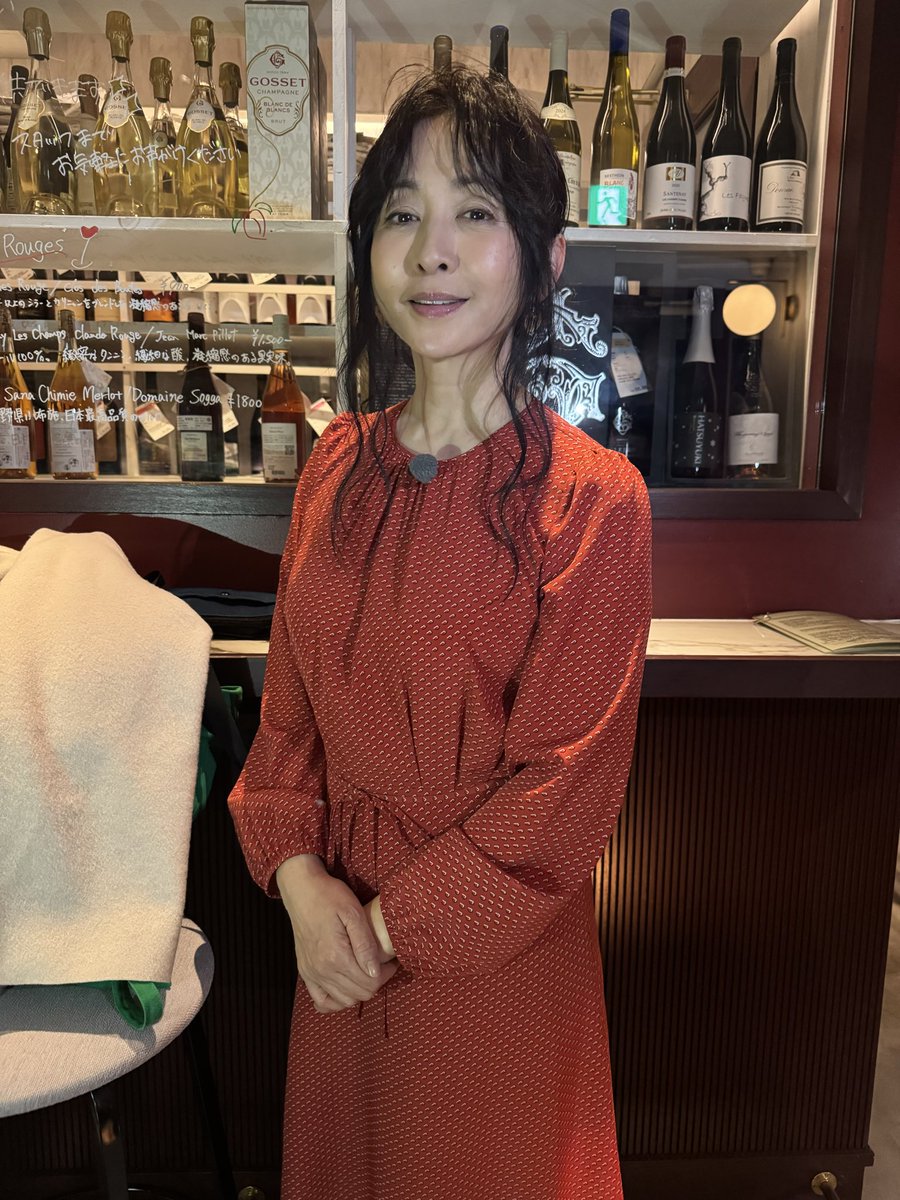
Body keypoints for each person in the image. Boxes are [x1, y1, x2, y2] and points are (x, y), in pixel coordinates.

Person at [227, 63, 653, 1200]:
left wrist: (384, 929)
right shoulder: (333, 467)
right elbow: (288, 725)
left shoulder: (593, 500)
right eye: (402, 215)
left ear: (544, 257)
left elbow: (560, 793)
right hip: (334, 948)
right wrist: (301, 883)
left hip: (489, 962)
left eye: (475, 212)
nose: (432, 252)